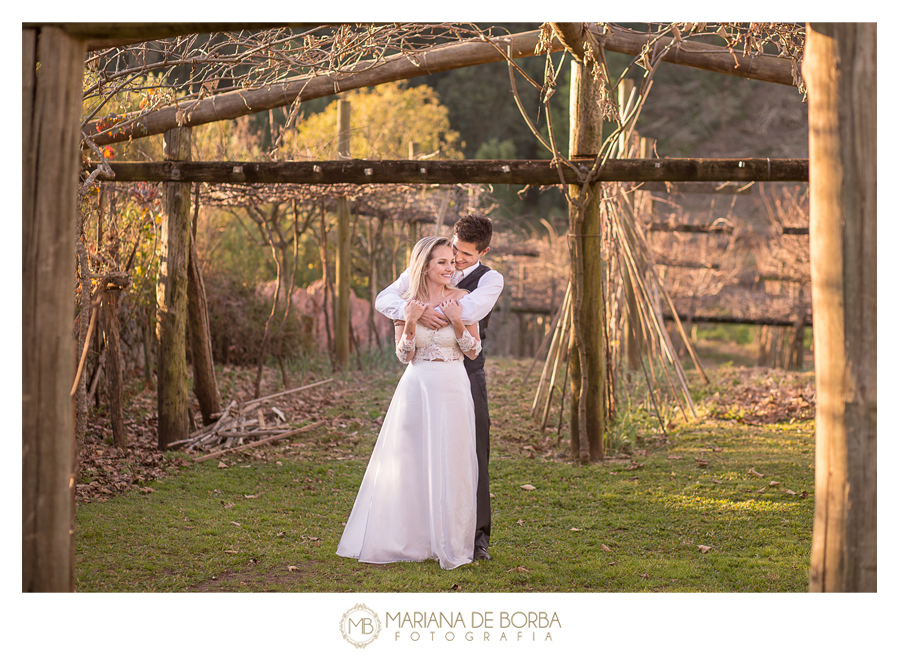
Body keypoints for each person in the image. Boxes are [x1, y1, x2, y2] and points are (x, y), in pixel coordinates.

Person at [336, 236, 482, 570]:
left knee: (452, 460)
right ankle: (410, 539)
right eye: (442, 262)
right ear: (425, 266)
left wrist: (457, 320)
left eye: (451, 261)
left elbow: (473, 351)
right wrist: (412, 320)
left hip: (453, 386)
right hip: (417, 387)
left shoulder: (463, 299)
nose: (450, 268)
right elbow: (404, 356)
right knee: (410, 459)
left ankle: (448, 539)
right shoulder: (407, 304)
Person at [374, 214, 503, 560]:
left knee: (472, 450)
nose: (457, 262)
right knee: (417, 448)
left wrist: (430, 310)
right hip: (423, 372)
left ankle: (475, 538)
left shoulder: (490, 279)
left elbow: (471, 308)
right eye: (454, 253)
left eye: (465, 256)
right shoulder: (433, 260)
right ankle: (421, 528)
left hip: (466, 369)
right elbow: (385, 299)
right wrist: (411, 311)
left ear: (483, 252)